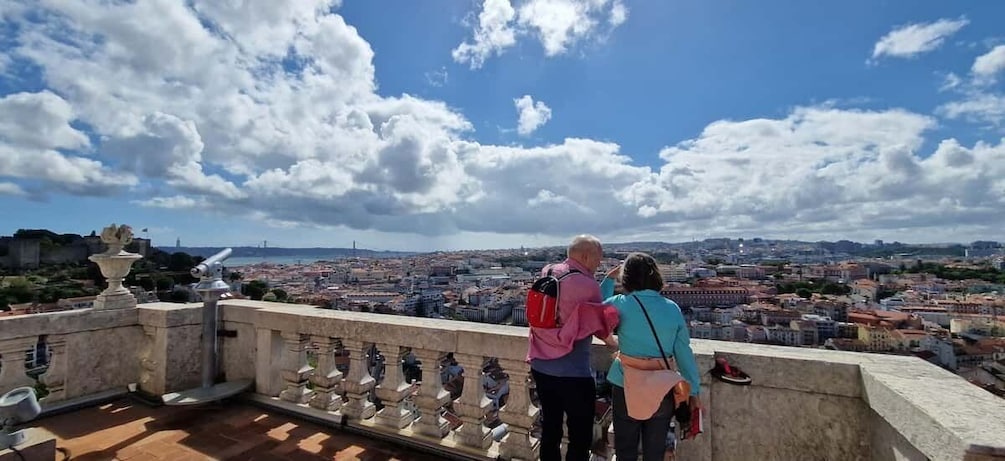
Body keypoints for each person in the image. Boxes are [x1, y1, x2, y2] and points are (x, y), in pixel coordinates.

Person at [601, 252, 701, 461]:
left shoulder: (620, 303)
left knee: (625, 450)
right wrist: (694, 390)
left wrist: (609, 279)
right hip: (662, 385)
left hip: (625, 383)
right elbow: (683, 352)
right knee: (655, 452)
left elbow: (597, 312)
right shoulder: (671, 308)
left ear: (626, 278)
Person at [528, 234, 617, 461]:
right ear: (586, 256)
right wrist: (615, 345)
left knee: (550, 427)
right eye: (598, 258)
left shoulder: (548, 271)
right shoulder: (587, 285)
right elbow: (599, 321)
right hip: (572, 372)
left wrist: (606, 280)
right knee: (580, 434)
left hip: (540, 363)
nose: (600, 262)